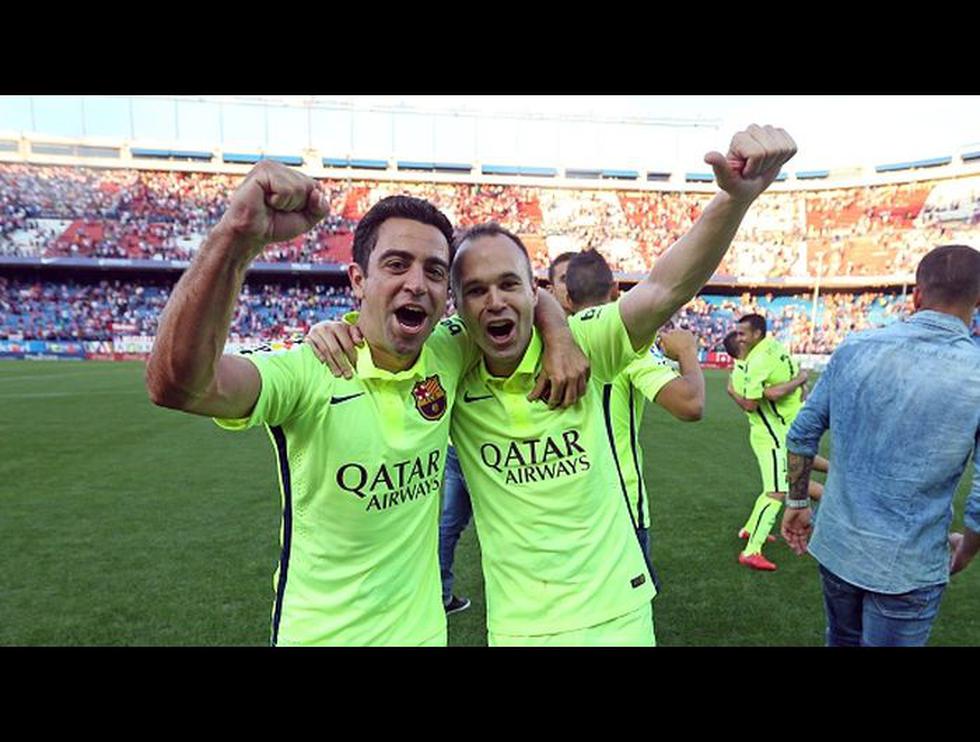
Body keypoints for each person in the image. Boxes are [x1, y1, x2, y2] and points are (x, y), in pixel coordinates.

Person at [311, 123, 797, 644]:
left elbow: (662, 289)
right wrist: (338, 327)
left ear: (535, 290)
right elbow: (390, 330)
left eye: (509, 285)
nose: (495, 302)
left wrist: (735, 201)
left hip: (617, 611)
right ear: (455, 305)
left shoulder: (587, 339)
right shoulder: (447, 357)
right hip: (519, 626)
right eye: (475, 290)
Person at [145, 161, 587, 646]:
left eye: (434, 272)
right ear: (357, 280)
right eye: (396, 265)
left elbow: (523, 292)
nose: (417, 284)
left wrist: (559, 333)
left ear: (447, 297)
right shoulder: (308, 369)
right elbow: (178, 384)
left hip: (421, 635)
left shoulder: (448, 349)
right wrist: (237, 238)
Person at [782, 244, 980, 647]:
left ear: (917, 295)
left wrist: (797, 503)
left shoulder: (856, 347)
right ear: (978, 300)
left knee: (841, 639)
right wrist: (969, 548)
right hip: (908, 562)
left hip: (839, 548)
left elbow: (801, 433)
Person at [563, 248, 705, 582]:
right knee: (630, 616)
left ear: (567, 299)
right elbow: (691, 404)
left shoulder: (552, 340)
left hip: (567, 503)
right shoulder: (627, 346)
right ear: (615, 292)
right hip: (620, 503)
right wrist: (686, 351)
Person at [725, 314, 823, 570]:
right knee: (776, 492)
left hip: (775, 434)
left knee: (775, 487)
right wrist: (799, 382)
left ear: (757, 335)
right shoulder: (754, 363)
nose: (740, 338)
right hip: (768, 437)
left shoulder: (757, 360)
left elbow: (772, 388)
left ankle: (749, 531)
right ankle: (751, 551)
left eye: (742, 333)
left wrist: (797, 383)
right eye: (738, 336)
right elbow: (753, 402)